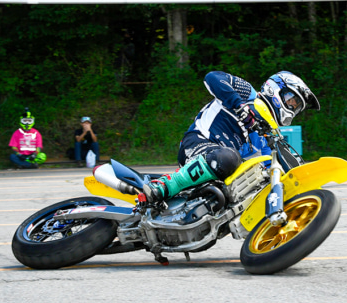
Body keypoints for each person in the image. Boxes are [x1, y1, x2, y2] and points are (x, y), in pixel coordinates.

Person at [121, 70, 319, 203]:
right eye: (292, 101)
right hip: (199, 142)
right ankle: (164, 186)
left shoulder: (267, 132)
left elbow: (270, 164)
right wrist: (238, 105)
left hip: (222, 165)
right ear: (275, 89)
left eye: (297, 107)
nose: (293, 108)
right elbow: (212, 78)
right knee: (229, 157)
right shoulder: (247, 93)